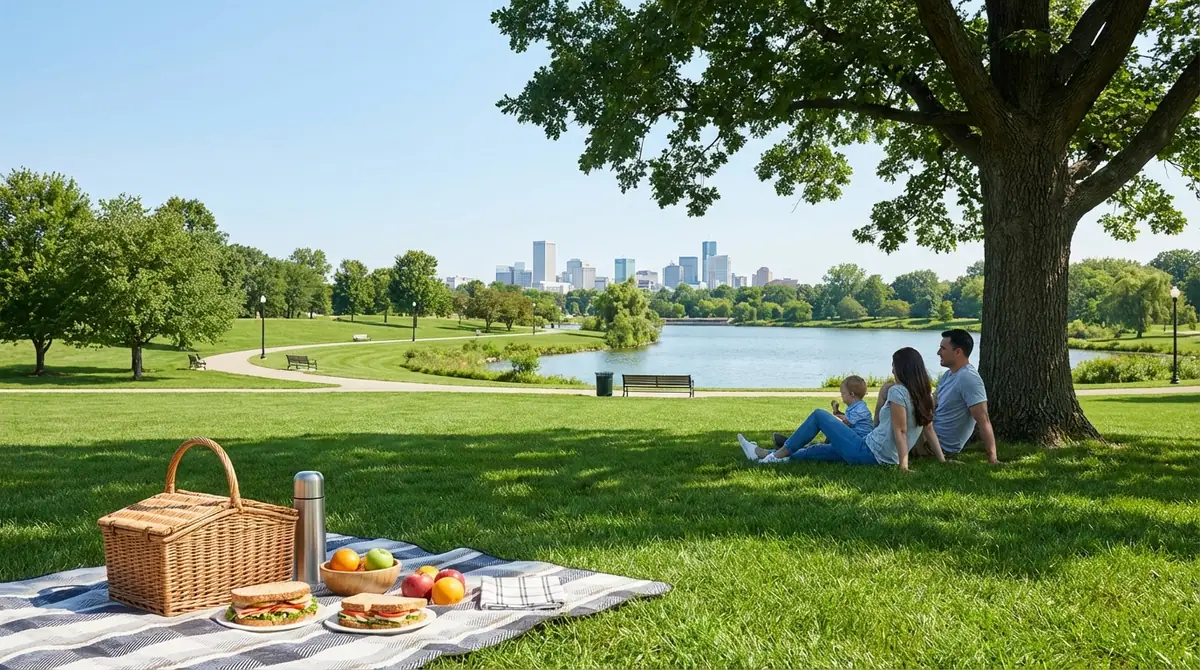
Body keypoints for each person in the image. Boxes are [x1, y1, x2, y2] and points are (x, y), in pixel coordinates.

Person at [737, 348, 934, 470]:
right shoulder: (924, 394)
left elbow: (900, 431)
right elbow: (929, 429)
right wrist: (941, 460)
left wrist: (903, 466)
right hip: (871, 450)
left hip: (869, 452)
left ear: (903, 368)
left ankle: (775, 456)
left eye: (894, 367)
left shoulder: (898, 392)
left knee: (819, 415)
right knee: (816, 451)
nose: (892, 371)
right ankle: (762, 453)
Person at [904, 329, 998, 464]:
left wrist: (992, 458)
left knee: (888, 390)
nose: (938, 353)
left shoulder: (969, 378)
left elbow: (984, 420)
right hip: (928, 435)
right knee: (894, 393)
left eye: (943, 349)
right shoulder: (949, 375)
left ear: (958, 352)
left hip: (937, 446)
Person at [750, 375, 873, 462]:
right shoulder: (855, 407)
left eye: (843, 393)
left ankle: (775, 454)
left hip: (856, 442)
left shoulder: (860, 408)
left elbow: (845, 422)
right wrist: (836, 412)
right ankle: (771, 453)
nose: (841, 396)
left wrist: (831, 419)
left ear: (852, 394)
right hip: (852, 442)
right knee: (816, 449)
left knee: (815, 448)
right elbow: (846, 422)